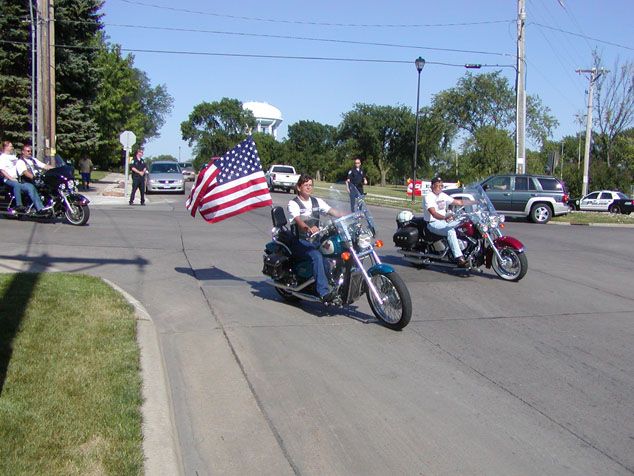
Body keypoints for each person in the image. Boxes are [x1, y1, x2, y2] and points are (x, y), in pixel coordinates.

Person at [287, 174, 344, 302]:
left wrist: (350, 215)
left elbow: (332, 211)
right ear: (299, 187)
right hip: (300, 241)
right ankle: (323, 293)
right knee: (317, 256)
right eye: (306, 185)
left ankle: (334, 283)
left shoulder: (316, 201)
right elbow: (298, 221)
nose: (308, 187)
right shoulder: (293, 203)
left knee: (334, 251)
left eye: (310, 185)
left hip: (315, 240)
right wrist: (308, 228)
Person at [423, 176, 471, 268]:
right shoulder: (428, 197)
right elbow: (433, 213)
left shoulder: (442, 195)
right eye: (438, 185)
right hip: (433, 223)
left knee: (462, 224)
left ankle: (466, 250)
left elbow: (459, 202)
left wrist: (475, 201)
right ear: (432, 186)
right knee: (450, 231)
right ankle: (459, 258)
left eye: (441, 186)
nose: (440, 187)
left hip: (443, 222)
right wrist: (444, 217)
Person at [0, 142, 49, 215]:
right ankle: (19, 205)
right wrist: (10, 178)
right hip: (8, 179)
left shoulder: (13, 156)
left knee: (31, 186)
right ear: (6, 147)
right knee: (17, 185)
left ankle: (40, 207)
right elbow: (2, 170)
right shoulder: (2, 157)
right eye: (11, 146)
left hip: (17, 179)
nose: (12, 147)